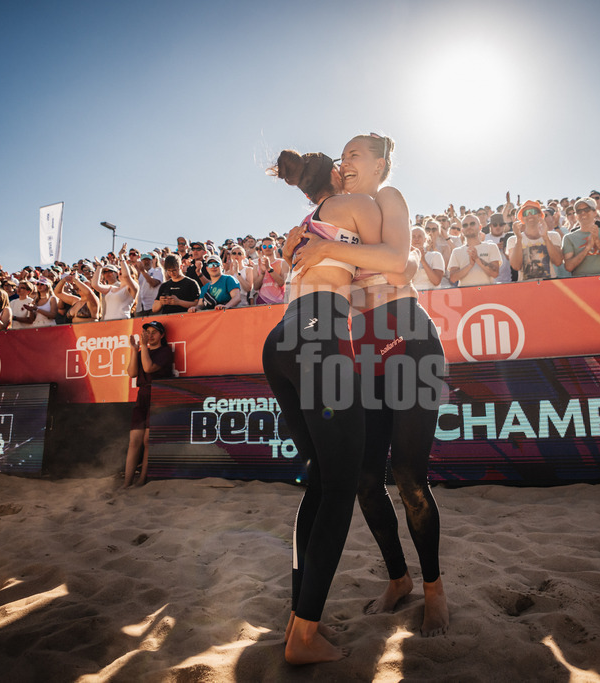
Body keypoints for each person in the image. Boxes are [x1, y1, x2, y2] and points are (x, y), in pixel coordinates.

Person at [291, 133, 449, 638]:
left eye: (356, 153)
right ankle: (399, 579)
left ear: (382, 162)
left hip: (407, 339)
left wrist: (326, 248)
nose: (347, 161)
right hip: (363, 352)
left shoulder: (388, 198)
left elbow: (400, 262)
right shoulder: (341, 215)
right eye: (343, 157)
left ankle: (434, 589)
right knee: (362, 479)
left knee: (408, 477)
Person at [265, 148, 380, 664]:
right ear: (334, 175)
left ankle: (297, 615)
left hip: (281, 339)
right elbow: (395, 259)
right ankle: (304, 636)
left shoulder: (301, 227)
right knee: (340, 485)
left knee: (319, 479)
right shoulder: (351, 204)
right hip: (318, 335)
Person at [123, 320, 174, 488]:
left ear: (162, 335)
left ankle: (142, 479)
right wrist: (133, 349)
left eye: (154, 332)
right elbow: (131, 373)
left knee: (147, 440)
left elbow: (148, 368)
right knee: (134, 441)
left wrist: (143, 347)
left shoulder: (165, 351)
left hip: (158, 394)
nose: (150, 336)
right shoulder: (140, 351)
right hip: (142, 394)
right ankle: (126, 482)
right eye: (147, 332)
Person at [508, 200, 564, 280]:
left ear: (539, 215)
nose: (530, 215)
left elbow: (558, 262)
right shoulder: (513, 240)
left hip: (550, 286)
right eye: (526, 213)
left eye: (533, 211)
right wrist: (519, 239)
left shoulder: (553, 235)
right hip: (526, 288)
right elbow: (516, 266)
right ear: (522, 218)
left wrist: (546, 238)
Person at [562, 198, 600, 276]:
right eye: (579, 211)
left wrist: (597, 240)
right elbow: (568, 267)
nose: (583, 212)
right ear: (576, 216)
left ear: (595, 212)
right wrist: (587, 248)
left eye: (587, 209)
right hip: (581, 283)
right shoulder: (568, 238)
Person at [447, 213, 501, 286]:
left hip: (487, 294)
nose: (469, 227)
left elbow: (495, 273)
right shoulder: (456, 251)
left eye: (472, 224)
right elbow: (453, 278)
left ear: (480, 227)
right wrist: (470, 265)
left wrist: (477, 259)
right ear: (462, 231)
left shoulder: (491, 246)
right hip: (465, 295)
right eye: (465, 225)